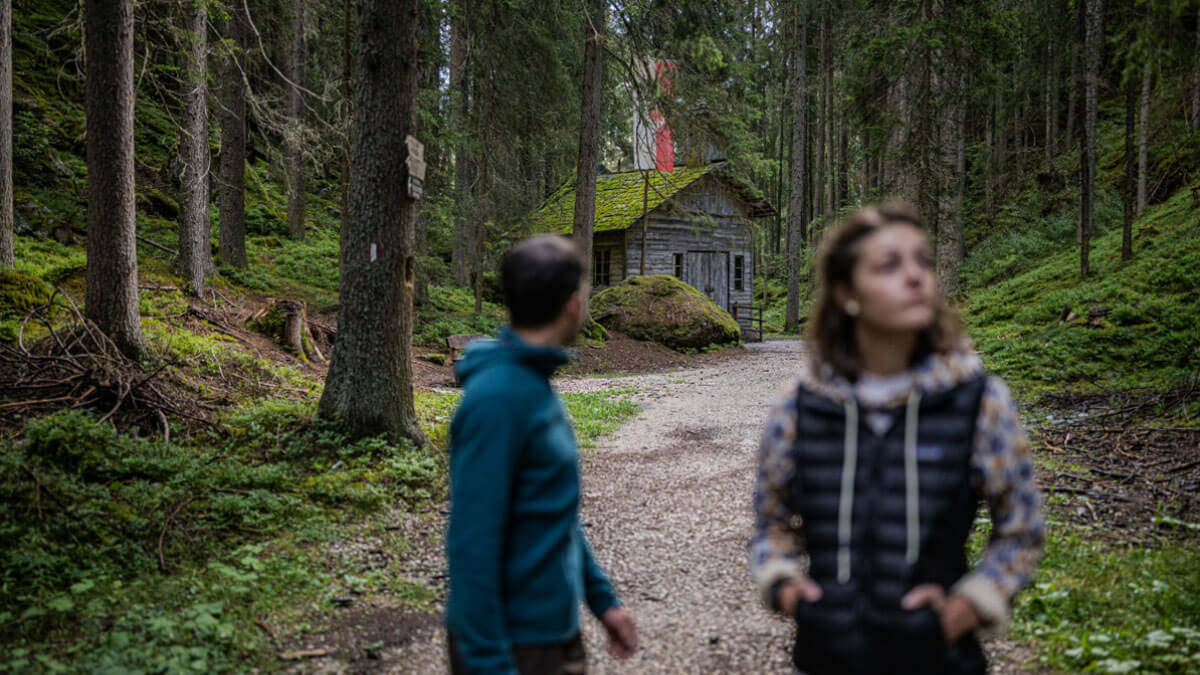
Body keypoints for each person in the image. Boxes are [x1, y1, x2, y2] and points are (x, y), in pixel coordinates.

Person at [749, 202, 1044, 675]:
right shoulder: (799, 405)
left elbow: (1022, 528)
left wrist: (964, 609)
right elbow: (771, 523)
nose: (915, 277)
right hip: (826, 660)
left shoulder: (977, 399)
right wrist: (785, 588)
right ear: (847, 292)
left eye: (922, 262)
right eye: (889, 265)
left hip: (939, 662)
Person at [445, 235, 638, 675]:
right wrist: (490, 663)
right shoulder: (497, 400)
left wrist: (603, 602)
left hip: (548, 635)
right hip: (516, 646)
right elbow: (471, 544)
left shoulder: (532, 385)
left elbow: (553, 512)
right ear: (573, 304)